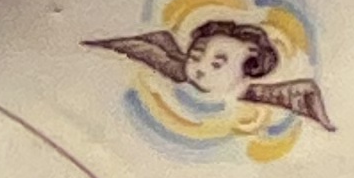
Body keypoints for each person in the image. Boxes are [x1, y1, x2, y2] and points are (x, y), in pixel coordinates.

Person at [90, 8, 336, 129]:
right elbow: (148, 47)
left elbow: (306, 91)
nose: (201, 68)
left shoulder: (258, 96)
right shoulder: (175, 68)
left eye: (217, 63)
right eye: (195, 56)